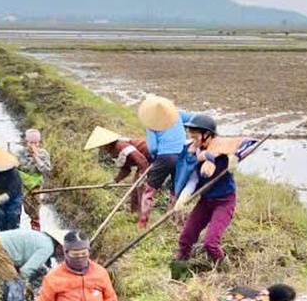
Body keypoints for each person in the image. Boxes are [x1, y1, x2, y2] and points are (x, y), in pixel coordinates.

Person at [171, 113, 238, 273]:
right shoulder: (193, 153)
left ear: (208, 135)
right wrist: (182, 199)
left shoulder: (222, 150)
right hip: (206, 201)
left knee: (211, 243)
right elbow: (193, 180)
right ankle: (179, 273)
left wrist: (231, 160)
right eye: (191, 135)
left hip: (224, 201)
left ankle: (228, 274)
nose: (193, 139)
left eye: (196, 135)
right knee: (185, 238)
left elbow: (234, 160)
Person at [136, 95, 186, 228]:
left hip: (165, 157)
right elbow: (193, 119)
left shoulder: (151, 123)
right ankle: (176, 220)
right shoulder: (178, 116)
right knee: (176, 189)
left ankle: (143, 221)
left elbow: (152, 147)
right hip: (182, 156)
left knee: (150, 189)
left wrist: (154, 158)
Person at [84, 126, 150, 216]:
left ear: (106, 143)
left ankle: (141, 217)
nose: (101, 149)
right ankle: (134, 214)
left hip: (150, 157)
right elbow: (126, 169)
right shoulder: (113, 151)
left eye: (101, 146)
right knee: (135, 188)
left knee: (139, 187)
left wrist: (143, 176)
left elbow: (141, 159)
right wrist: (114, 181)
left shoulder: (120, 146)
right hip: (143, 161)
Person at [17, 128, 53, 193]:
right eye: (31, 143)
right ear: (27, 142)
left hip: (37, 186)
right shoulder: (20, 153)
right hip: (21, 185)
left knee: (36, 200)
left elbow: (46, 170)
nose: (33, 145)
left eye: (36, 143)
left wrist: (37, 158)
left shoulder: (44, 153)